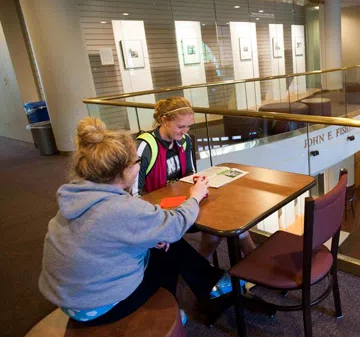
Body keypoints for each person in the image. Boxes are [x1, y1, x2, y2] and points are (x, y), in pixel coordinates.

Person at [38, 117, 224, 325]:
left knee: (161, 242)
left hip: (69, 299)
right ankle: (167, 315)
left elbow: (104, 235)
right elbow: (175, 225)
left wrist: (152, 237)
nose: (139, 166)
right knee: (167, 250)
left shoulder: (74, 195)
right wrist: (195, 196)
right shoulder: (123, 208)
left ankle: (211, 283)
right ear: (122, 170)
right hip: (101, 307)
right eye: (137, 161)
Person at [134, 96, 256, 261]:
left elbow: (189, 173)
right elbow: (135, 194)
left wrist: (198, 181)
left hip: (182, 201)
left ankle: (247, 266)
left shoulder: (184, 141)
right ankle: (203, 268)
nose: (185, 132)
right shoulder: (145, 146)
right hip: (158, 209)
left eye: (189, 126)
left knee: (231, 222)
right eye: (180, 126)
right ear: (164, 120)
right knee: (218, 225)